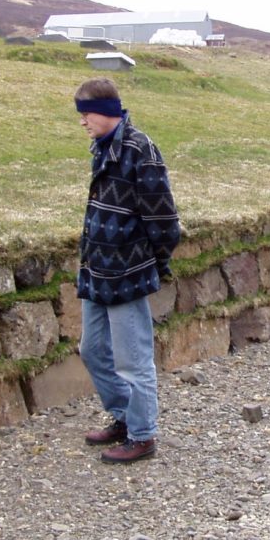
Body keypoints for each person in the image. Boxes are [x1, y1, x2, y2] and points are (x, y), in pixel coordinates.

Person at [74, 77, 180, 464]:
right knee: (92, 350)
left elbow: (164, 220)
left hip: (127, 275)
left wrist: (155, 263)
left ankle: (142, 435)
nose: (82, 121)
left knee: (133, 361)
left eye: (86, 113)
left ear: (106, 111)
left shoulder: (140, 150)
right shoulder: (103, 148)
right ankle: (123, 416)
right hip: (96, 273)